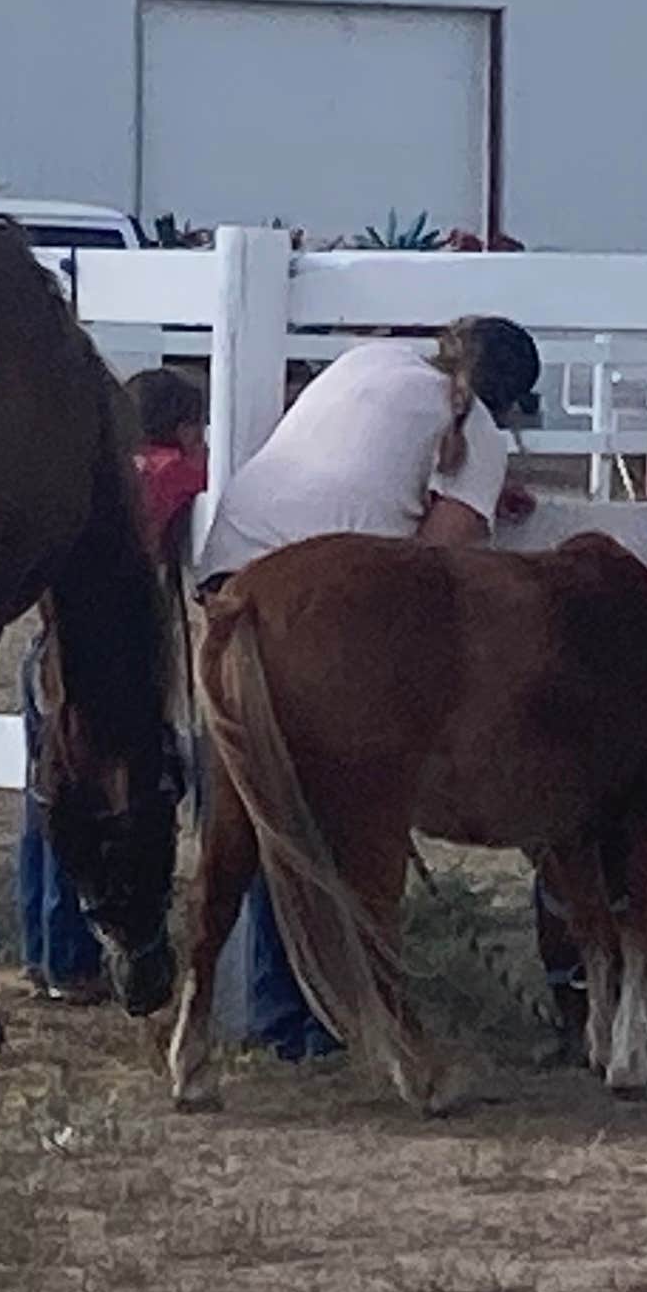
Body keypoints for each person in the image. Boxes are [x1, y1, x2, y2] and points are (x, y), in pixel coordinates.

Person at [196, 316, 542, 1060]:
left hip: (226, 578)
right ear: (510, 401)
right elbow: (431, 562)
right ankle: (304, 1017)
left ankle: (242, 1003)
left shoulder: (370, 361)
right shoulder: (477, 433)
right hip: (323, 606)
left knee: (249, 800)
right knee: (321, 820)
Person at [20, 367, 209, 1002]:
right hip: (110, 658)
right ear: (183, 429)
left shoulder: (92, 471)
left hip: (53, 650)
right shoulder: (167, 475)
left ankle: (51, 952)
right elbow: (211, 486)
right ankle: (93, 955)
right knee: (114, 800)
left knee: (52, 798)